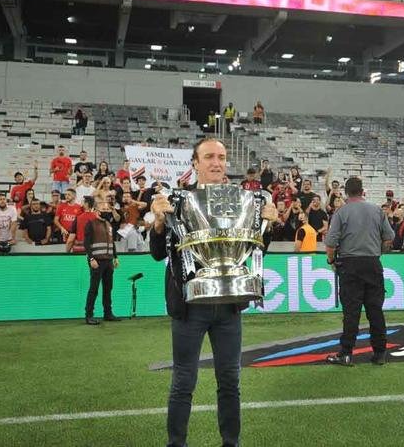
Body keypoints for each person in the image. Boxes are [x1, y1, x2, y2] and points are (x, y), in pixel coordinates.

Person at [148, 137, 276, 447]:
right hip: (189, 306)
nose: (216, 163)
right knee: (183, 381)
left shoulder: (242, 199)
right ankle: (176, 444)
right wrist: (159, 221)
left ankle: (231, 443)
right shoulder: (177, 200)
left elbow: (252, 248)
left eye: (220, 156)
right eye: (208, 157)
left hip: (230, 305)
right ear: (195, 163)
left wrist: (268, 225)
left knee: (230, 381)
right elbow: (156, 252)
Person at [325, 176, 394, 366]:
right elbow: (389, 238)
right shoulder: (377, 210)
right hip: (372, 263)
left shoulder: (341, 212)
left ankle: (346, 353)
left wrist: (331, 260)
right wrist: (375, 252)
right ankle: (380, 353)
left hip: (349, 265)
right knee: (375, 311)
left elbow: (330, 243)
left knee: (351, 312)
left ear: (346, 192)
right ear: (362, 190)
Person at [83, 201, 121, 325]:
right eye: (103, 209)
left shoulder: (109, 224)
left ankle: (108, 314)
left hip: (109, 261)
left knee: (108, 288)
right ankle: (89, 315)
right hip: (97, 261)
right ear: (97, 211)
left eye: (107, 208)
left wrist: (115, 257)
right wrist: (91, 259)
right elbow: (86, 244)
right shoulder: (90, 224)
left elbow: (111, 242)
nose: (107, 211)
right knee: (94, 289)